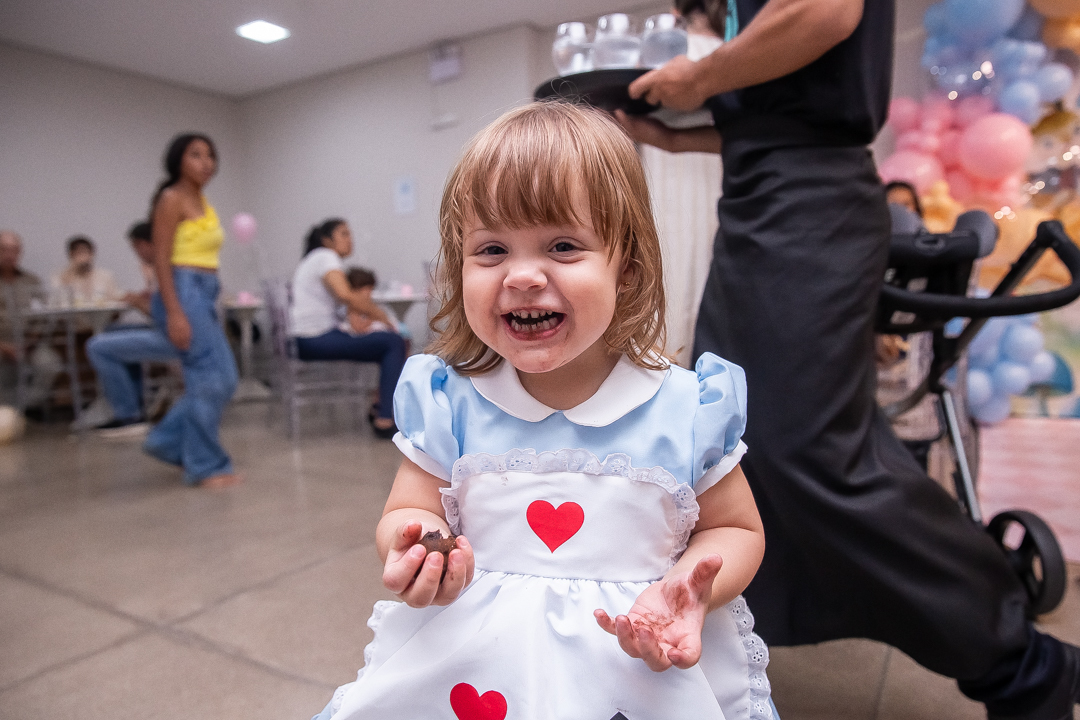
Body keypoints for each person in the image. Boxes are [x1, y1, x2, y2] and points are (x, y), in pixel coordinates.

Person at [616, 0, 1080, 718]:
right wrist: (672, 136)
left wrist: (699, 77)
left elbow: (827, 15)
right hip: (758, 202)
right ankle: (729, 647)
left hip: (810, 206)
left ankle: (1021, 659)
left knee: (813, 452)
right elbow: (784, 110)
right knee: (735, 442)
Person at [311, 102, 774, 720]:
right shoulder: (451, 403)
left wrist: (689, 590)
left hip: (633, 669)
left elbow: (735, 528)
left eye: (562, 245)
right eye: (492, 250)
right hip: (475, 669)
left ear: (627, 271)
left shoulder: (685, 409)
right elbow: (410, 507)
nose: (523, 276)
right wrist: (419, 544)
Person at [144, 133, 240, 489]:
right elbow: (161, 259)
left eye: (210, 155)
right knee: (207, 379)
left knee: (226, 379)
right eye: (196, 154)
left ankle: (166, 441)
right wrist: (174, 311)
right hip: (182, 291)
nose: (206, 162)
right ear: (178, 160)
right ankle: (203, 465)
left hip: (203, 291)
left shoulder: (201, 200)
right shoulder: (171, 198)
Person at [289, 219, 406, 439]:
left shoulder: (314, 260)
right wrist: (381, 316)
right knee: (393, 342)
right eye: (343, 234)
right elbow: (345, 295)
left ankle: (379, 405)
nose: (350, 239)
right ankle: (383, 417)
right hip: (315, 339)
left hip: (308, 338)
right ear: (327, 240)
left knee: (387, 341)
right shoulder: (325, 257)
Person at [85, 221, 179, 438]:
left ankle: (128, 414)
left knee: (98, 346)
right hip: (172, 332)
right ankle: (134, 406)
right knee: (113, 332)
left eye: (136, 248)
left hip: (173, 337)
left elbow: (170, 316)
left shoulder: (165, 268)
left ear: (143, 244)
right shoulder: (168, 266)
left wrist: (139, 303)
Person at [0, 230, 57, 411]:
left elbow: (42, 317)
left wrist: (29, 342)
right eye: (4, 250)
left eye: (15, 250)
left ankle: (16, 409)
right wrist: (5, 348)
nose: (10, 255)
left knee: (50, 364)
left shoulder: (31, 281)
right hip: (2, 343)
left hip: (29, 343)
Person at [50, 235, 122, 306]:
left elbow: (117, 301)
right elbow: (56, 304)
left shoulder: (105, 276)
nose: (84, 257)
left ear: (92, 253)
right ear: (71, 254)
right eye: (79, 253)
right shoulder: (60, 277)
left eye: (87, 252)